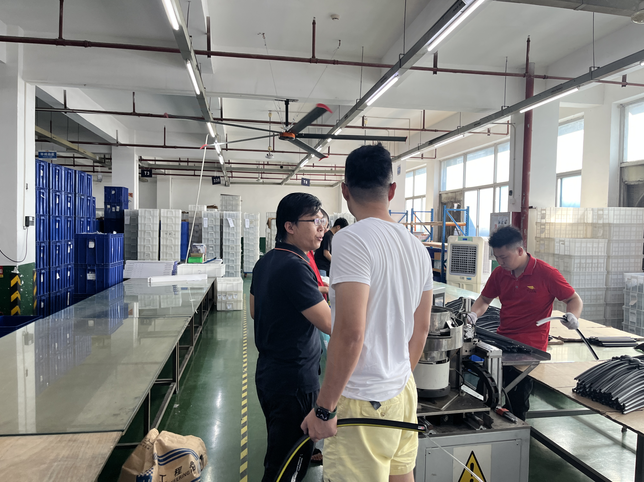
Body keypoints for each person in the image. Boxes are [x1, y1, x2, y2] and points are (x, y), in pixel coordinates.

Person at [301, 143, 433, 482]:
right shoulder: (418, 248)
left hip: (362, 398)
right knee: (401, 476)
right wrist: (395, 378)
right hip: (403, 391)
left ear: (345, 190)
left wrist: (324, 408)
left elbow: (350, 333)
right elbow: (421, 328)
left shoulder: (351, 239)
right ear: (392, 190)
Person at [249, 192, 332, 482]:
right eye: (314, 221)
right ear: (290, 226)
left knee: (280, 450)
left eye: (322, 221)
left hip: (269, 375)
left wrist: (310, 294)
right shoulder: (296, 267)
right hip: (294, 381)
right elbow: (330, 324)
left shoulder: (267, 261)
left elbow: (255, 310)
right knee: (289, 465)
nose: (321, 228)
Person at [468, 225, 583, 420]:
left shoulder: (546, 273)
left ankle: (515, 431)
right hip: (502, 341)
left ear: (520, 251)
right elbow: (485, 300)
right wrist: (473, 314)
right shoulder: (500, 273)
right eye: (497, 257)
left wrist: (573, 316)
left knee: (516, 399)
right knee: (484, 391)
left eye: (504, 257)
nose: (500, 262)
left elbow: (574, 299)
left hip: (529, 349)